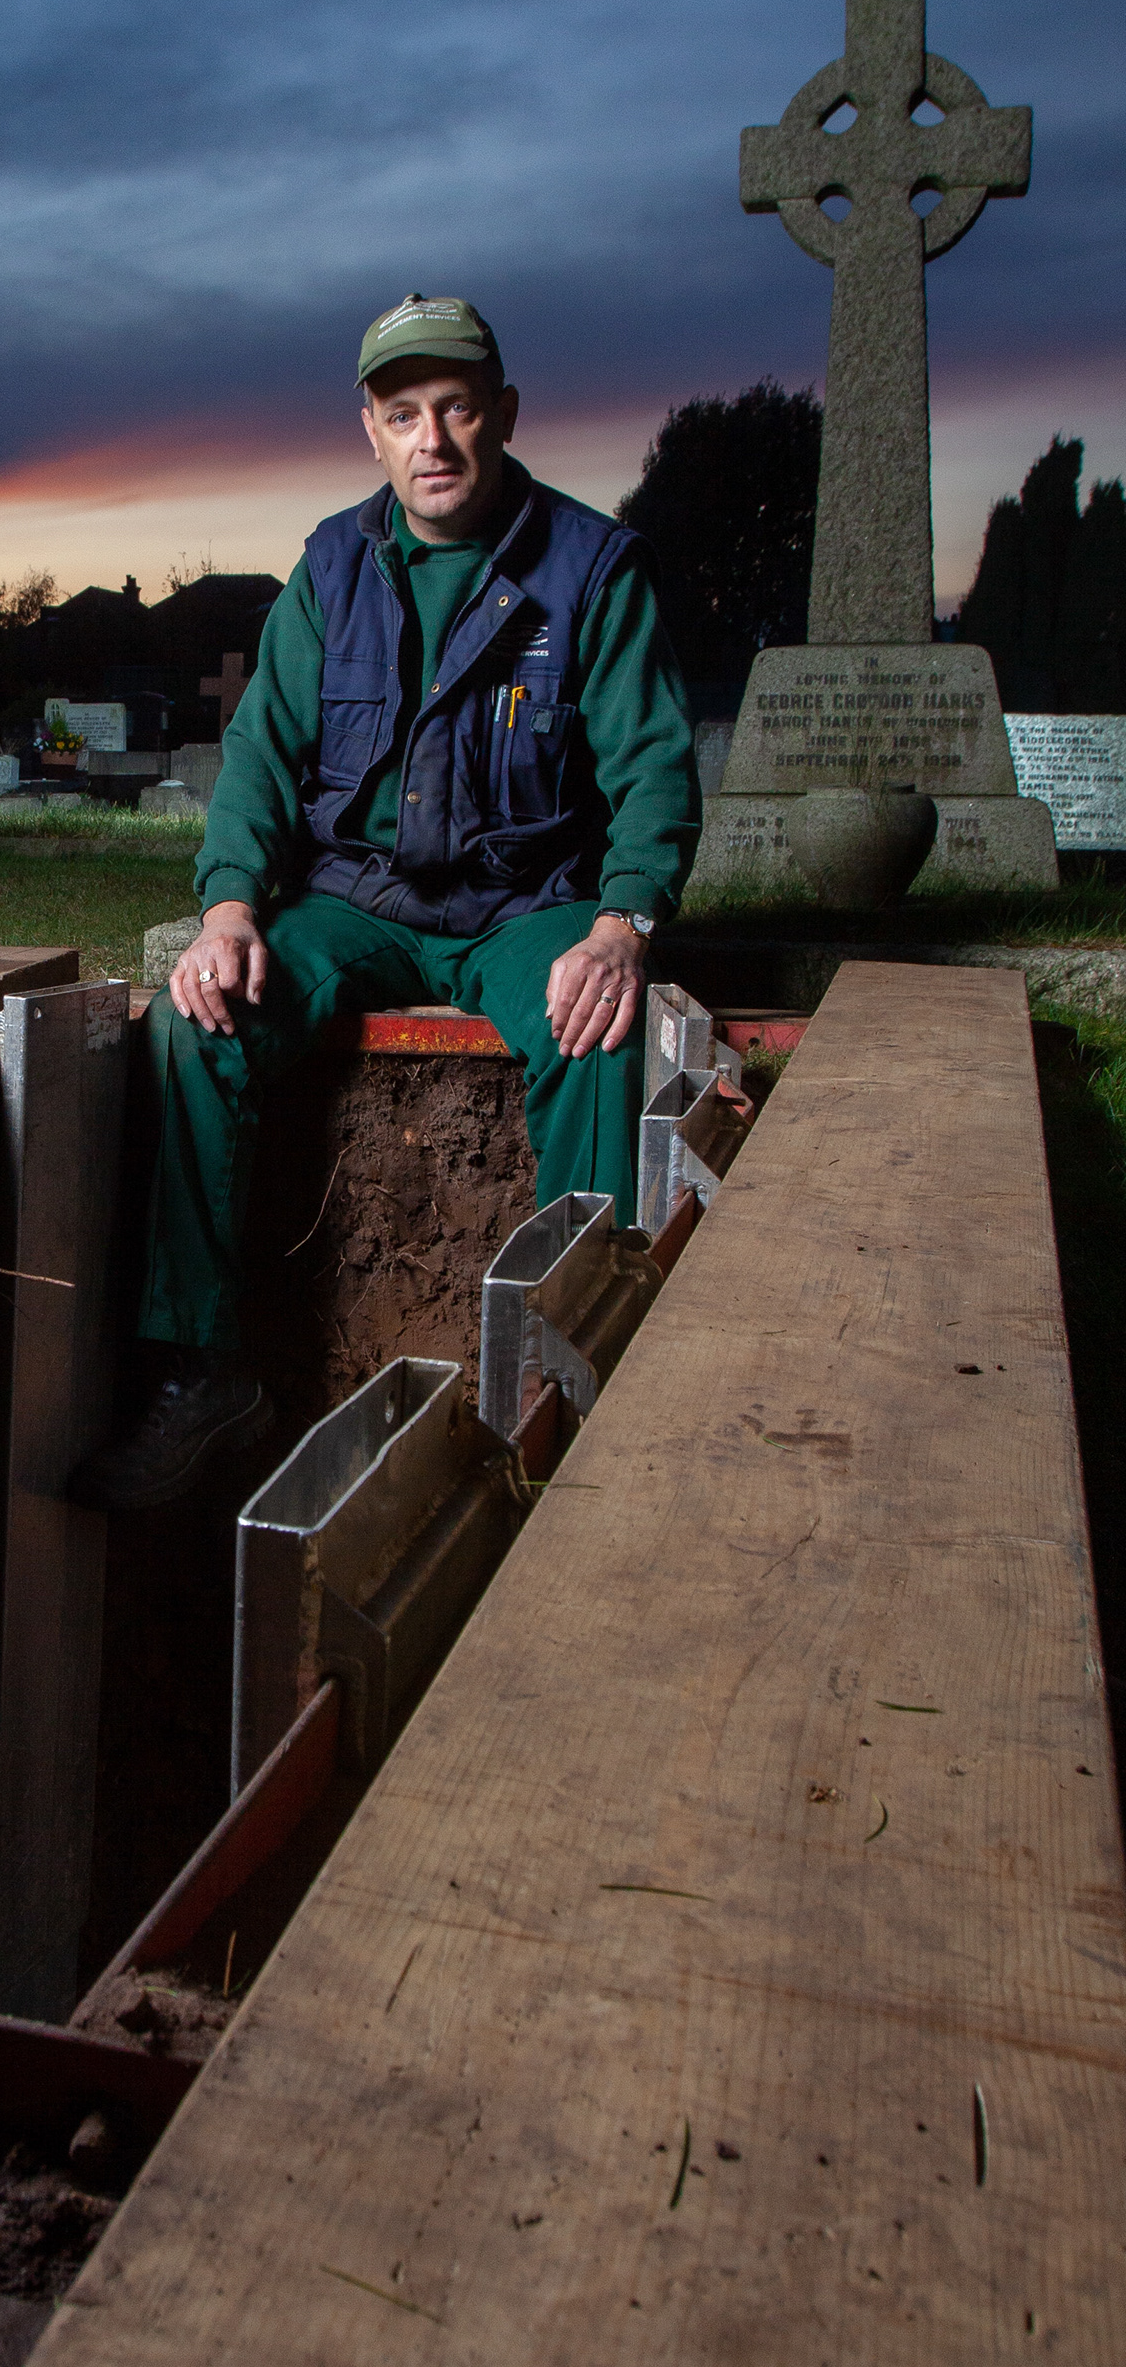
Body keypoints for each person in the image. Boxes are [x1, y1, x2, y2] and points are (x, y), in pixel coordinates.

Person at [75, 293, 702, 1509]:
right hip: (353, 903)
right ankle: (204, 1375)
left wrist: (621, 925)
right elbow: (261, 755)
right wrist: (226, 910)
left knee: (596, 1029)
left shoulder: (591, 570)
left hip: (528, 905)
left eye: (458, 407)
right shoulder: (330, 569)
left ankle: (583, 1385)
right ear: (369, 426)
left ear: (503, 414)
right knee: (192, 1027)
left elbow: (652, 769)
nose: (434, 438)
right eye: (404, 412)